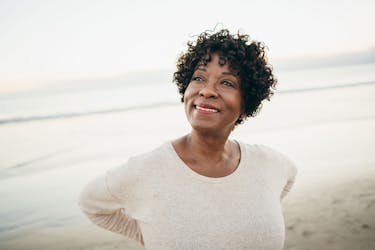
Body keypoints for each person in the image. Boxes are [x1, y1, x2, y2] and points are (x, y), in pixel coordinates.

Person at [78, 29, 297, 250]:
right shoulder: (147, 170)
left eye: (227, 83)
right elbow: (91, 203)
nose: (207, 91)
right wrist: (146, 235)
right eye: (199, 78)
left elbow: (289, 175)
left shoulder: (270, 163)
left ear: (245, 106)